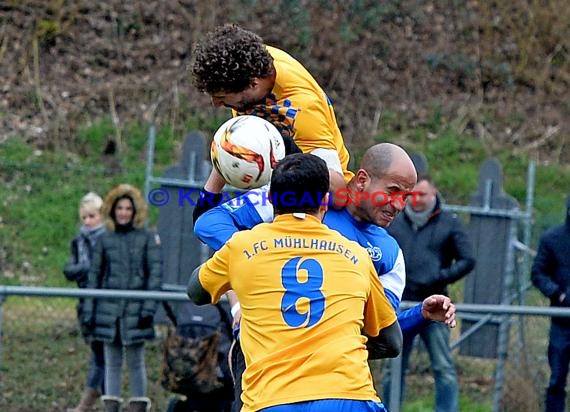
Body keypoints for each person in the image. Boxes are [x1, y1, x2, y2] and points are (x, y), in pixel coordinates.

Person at [194, 143, 457, 410]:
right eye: (393, 192)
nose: (399, 205)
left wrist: (419, 315)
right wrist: (262, 258)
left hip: (316, 385)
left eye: (406, 196)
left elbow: (378, 335)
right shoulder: (306, 194)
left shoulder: (389, 255)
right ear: (363, 180)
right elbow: (208, 223)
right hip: (277, 375)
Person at [191, 23, 350, 209]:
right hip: (279, 190)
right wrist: (209, 195)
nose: (216, 104)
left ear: (253, 85)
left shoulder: (304, 107)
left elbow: (339, 194)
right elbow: (237, 141)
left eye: (221, 97)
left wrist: (291, 153)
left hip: (321, 206)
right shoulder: (249, 63)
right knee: (208, 225)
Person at [383, 174, 475, 412]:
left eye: (422, 194)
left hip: (435, 305)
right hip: (399, 306)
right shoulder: (396, 221)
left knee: (443, 367)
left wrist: (439, 277)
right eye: (412, 194)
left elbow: (468, 259)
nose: (417, 199)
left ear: (434, 194)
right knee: (393, 368)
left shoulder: (449, 222)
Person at [82, 184, 163, 412]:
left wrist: (148, 309)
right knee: (112, 362)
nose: (124, 212)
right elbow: (95, 277)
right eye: (120, 208)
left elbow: (154, 274)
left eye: (128, 208)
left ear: (135, 211)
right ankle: (111, 405)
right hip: (110, 311)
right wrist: (89, 310)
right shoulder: (105, 240)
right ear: (113, 210)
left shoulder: (147, 239)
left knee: (136, 361)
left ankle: (138, 404)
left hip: (136, 310)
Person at [63, 192, 106, 412]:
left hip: (104, 301)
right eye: (85, 217)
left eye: (93, 216)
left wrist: (87, 270)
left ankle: (87, 401)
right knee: (98, 352)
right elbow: (69, 269)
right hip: (85, 300)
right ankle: (106, 396)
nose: (88, 221)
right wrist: (86, 270)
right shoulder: (78, 241)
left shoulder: (107, 239)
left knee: (101, 353)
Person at [531, 194, 570, 412]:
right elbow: (538, 272)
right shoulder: (552, 239)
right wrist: (558, 294)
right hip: (562, 322)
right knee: (556, 380)